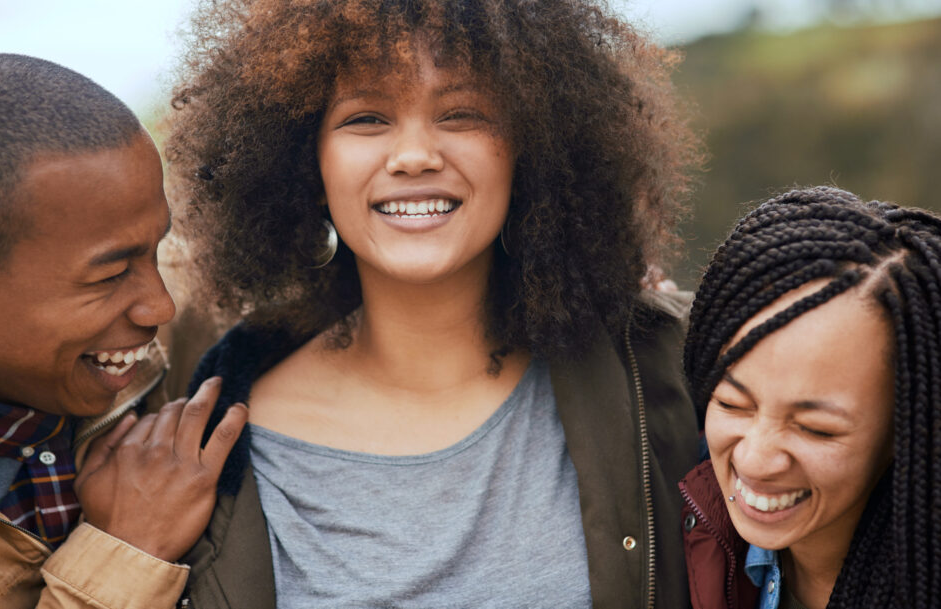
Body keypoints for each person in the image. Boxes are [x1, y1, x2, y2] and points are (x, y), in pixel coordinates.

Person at [167, 0, 703, 607]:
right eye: (367, 118)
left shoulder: (669, 366)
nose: (414, 155)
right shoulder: (209, 429)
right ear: (304, 163)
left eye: (462, 114)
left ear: (532, 148)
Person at [0, 54, 247, 608]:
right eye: (110, 274)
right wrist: (128, 549)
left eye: (157, 250)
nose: (160, 306)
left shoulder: (206, 314)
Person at [678, 186, 941, 609]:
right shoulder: (688, 527)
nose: (754, 460)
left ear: (908, 430)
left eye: (815, 429)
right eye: (731, 403)